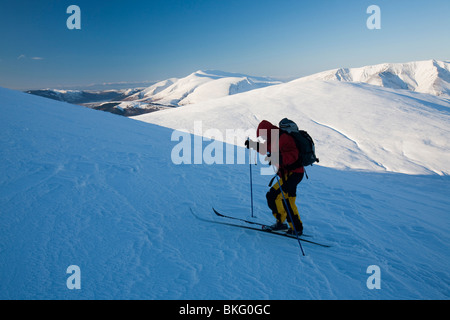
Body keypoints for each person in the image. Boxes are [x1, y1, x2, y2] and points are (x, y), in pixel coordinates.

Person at [245, 120, 304, 235]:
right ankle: (297, 227)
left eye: (262, 135)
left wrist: (278, 158)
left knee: (273, 196)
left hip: (292, 174)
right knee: (288, 200)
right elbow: (265, 149)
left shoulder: (283, 138)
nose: (262, 138)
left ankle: (281, 223)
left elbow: (293, 155)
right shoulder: (274, 138)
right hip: (292, 174)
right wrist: (253, 145)